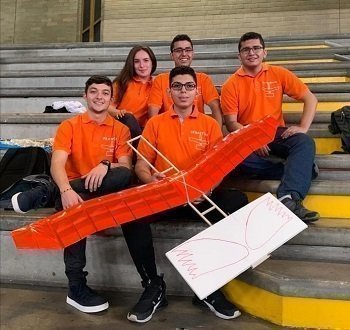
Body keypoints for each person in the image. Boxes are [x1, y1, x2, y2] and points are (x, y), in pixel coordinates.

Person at [122, 66, 248, 323]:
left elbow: (219, 167)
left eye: (189, 86)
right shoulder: (156, 123)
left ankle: (209, 286)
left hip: (199, 195)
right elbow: (141, 167)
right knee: (131, 214)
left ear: (197, 91)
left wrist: (208, 187)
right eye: (177, 86)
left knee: (237, 201)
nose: (183, 91)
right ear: (169, 91)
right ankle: (153, 286)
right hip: (165, 194)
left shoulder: (210, 124)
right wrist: (152, 181)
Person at [9, 75, 133, 313]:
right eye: (94, 92)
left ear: (111, 98)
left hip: (104, 192)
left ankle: (46, 191)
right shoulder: (70, 126)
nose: (99, 97)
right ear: (84, 96)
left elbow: (125, 166)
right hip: (73, 195)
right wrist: (66, 190)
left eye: (105, 93)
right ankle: (76, 287)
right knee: (76, 211)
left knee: (123, 176)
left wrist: (106, 164)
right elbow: (57, 164)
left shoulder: (121, 129)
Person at [221, 32, 319, 223]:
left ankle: (288, 198)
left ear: (265, 52)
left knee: (304, 142)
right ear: (239, 55)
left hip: (275, 133)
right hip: (246, 136)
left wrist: (303, 127)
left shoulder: (278, 73)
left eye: (256, 48)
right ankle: (301, 170)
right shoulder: (230, 85)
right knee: (236, 160)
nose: (252, 52)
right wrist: (253, 139)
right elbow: (231, 123)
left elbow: (310, 99)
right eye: (246, 49)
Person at [148, 34, 223, 126]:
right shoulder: (161, 80)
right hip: (169, 130)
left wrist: (218, 135)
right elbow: (153, 111)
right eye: (178, 50)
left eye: (187, 50)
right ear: (172, 55)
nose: (184, 54)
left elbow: (215, 107)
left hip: (197, 132)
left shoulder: (203, 79)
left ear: (192, 54)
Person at [108, 45, 157, 132]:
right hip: (124, 126)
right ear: (132, 64)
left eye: (146, 60)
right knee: (129, 118)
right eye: (137, 61)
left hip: (147, 130)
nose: (142, 65)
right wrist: (118, 113)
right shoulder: (122, 82)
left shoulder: (158, 83)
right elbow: (107, 107)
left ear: (152, 62)